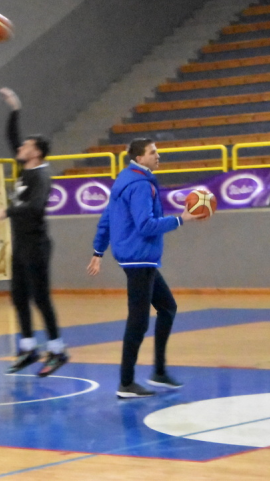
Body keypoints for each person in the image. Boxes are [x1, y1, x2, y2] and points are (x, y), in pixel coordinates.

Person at [87, 138, 200, 398]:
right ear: (139, 158)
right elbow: (146, 225)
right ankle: (126, 383)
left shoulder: (124, 179)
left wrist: (98, 251)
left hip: (136, 257)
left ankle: (158, 371)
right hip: (139, 258)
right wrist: (180, 220)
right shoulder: (140, 185)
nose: (158, 156)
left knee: (167, 307)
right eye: (153, 152)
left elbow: (107, 218)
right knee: (138, 323)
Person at [0, 88, 68, 377]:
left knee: (41, 299)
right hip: (21, 244)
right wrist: (14, 110)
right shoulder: (25, 168)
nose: (21, 147)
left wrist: (7, 211)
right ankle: (28, 348)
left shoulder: (41, 175)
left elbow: (35, 207)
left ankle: (57, 351)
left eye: (27, 145)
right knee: (19, 297)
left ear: (37, 153)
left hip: (36, 244)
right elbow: (12, 139)